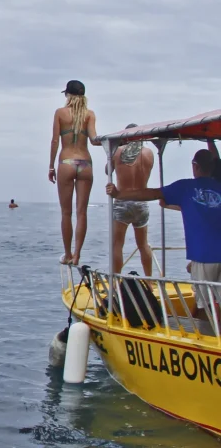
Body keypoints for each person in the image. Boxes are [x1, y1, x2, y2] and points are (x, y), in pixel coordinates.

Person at [106, 149, 221, 320]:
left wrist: (119, 194)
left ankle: (212, 341)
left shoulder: (186, 187)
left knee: (206, 304)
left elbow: (150, 193)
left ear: (195, 166)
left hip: (204, 257)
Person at [49, 80, 101, 265]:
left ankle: (68, 255)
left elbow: (55, 141)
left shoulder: (60, 113)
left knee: (66, 213)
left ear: (68, 95)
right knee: (82, 213)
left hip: (66, 162)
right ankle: (78, 255)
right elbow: (94, 140)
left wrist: (51, 166)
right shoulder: (90, 115)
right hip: (85, 163)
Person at [107, 124, 155, 276]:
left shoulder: (117, 152)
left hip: (122, 201)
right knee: (143, 244)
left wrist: (117, 148)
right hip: (141, 202)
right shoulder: (149, 154)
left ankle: (115, 280)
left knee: (117, 245)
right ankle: (149, 279)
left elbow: (108, 170)